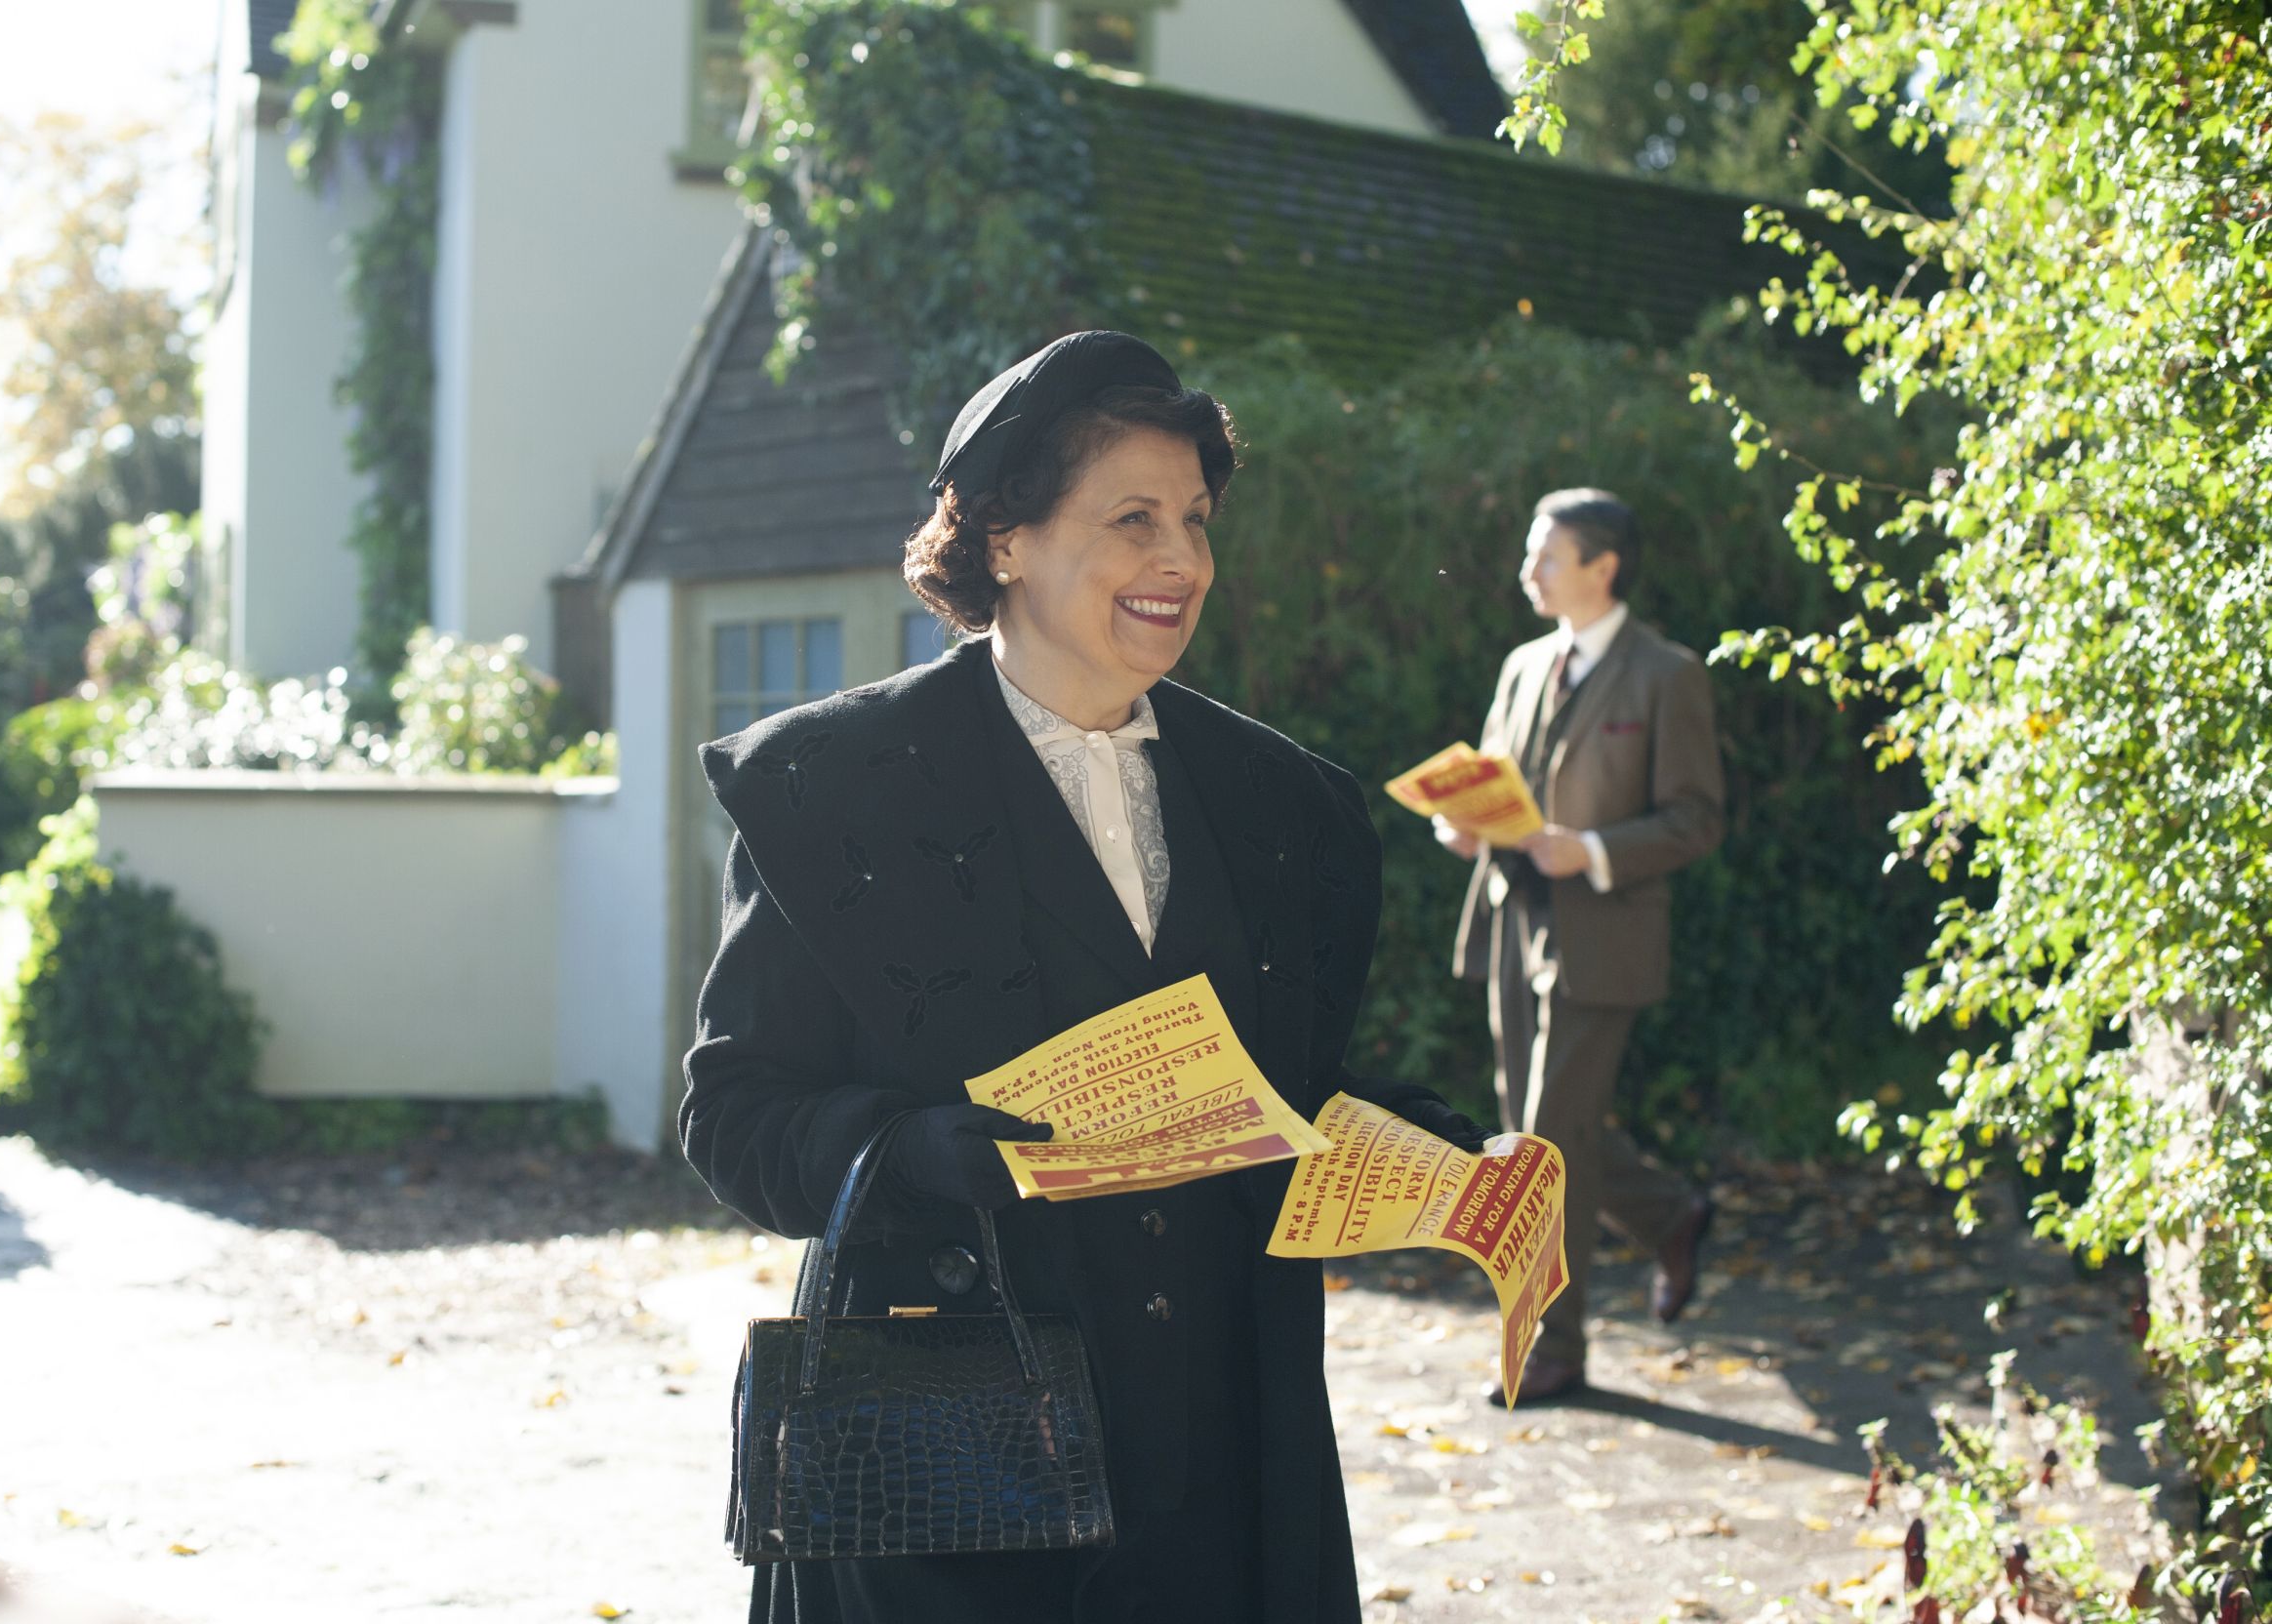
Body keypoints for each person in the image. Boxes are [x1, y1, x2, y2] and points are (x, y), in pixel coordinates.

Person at [680, 331, 1490, 1624]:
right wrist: (916, 1155)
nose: (1181, 561)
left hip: (1227, 1456)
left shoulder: (1285, 806)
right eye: (1132, 520)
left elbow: (1288, 1096)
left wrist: (1443, 1163)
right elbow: (733, 1121)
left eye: (1194, 520)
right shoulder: (827, 792)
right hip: (950, 1459)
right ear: (1005, 538)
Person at [1435, 489, 1725, 1404]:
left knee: (1548, 1140)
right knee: (1534, 1129)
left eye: (1545, 557)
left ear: (1603, 566)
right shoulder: (1524, 664)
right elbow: (1490, 774)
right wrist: (1466, 826)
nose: (1528, 572)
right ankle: (1669, 1213)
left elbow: (1696, 818)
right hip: (1512, 918)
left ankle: (1551, 1348)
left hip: (1604, 930)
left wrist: (1592, 850)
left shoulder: (1668, 674)